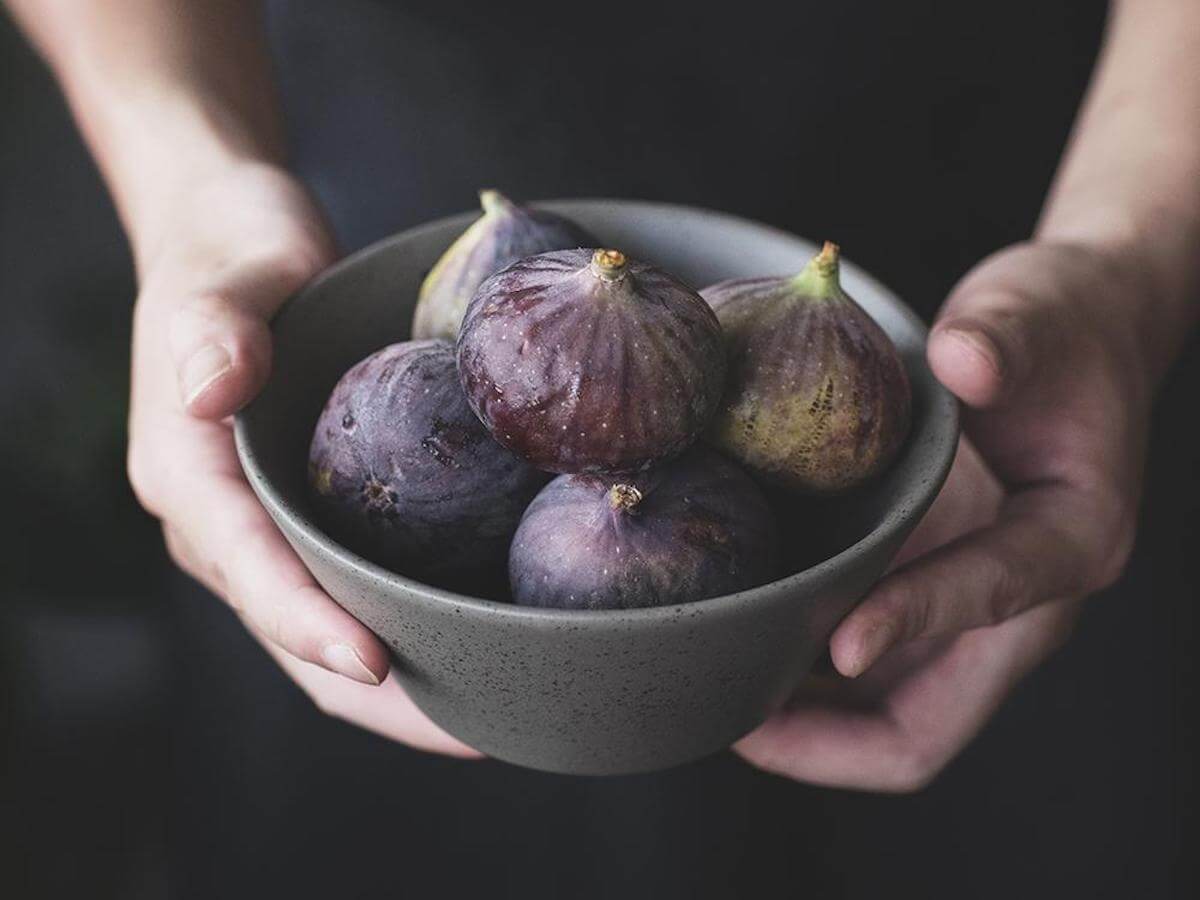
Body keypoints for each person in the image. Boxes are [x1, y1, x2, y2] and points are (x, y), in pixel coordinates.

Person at [6, 0, 1196, 863]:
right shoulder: (450, 359)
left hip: (987, 356)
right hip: (359, 239)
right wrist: (195, 186)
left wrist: (1128, 260)